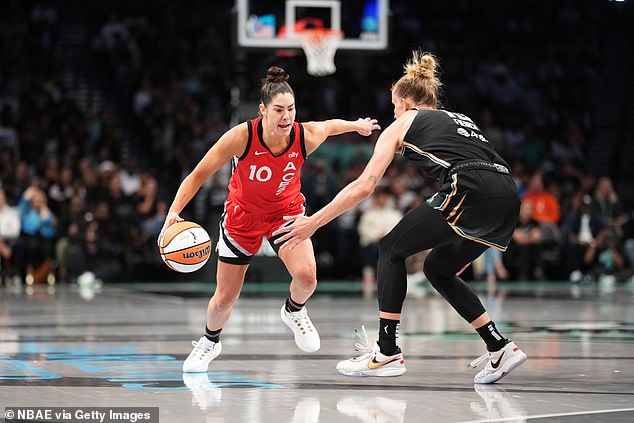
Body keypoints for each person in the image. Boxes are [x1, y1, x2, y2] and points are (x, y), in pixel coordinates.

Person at [273, 51, 527, 383]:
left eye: (394, 105)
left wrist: (313, 222)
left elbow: (365, 185)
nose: (393, 112)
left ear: (406, 102)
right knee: (439, 269)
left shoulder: (403, 122)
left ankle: (388, 351)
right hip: (508, 195)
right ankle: (499, 345)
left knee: (391, 248)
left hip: (470, 187)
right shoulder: (461, 119)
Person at [157, 66, 380, 373]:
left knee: (307, 278)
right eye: (278, 110)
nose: (286, 116)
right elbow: (197, 175)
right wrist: (173, 212)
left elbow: (328, 126)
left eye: (291, 109)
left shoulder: (305, 136)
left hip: (285, 214)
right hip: (241, 218)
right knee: (223, 299)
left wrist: (356, 125)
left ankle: (294, 311)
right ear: (263, 110)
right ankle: (209, 341)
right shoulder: (241, 137)